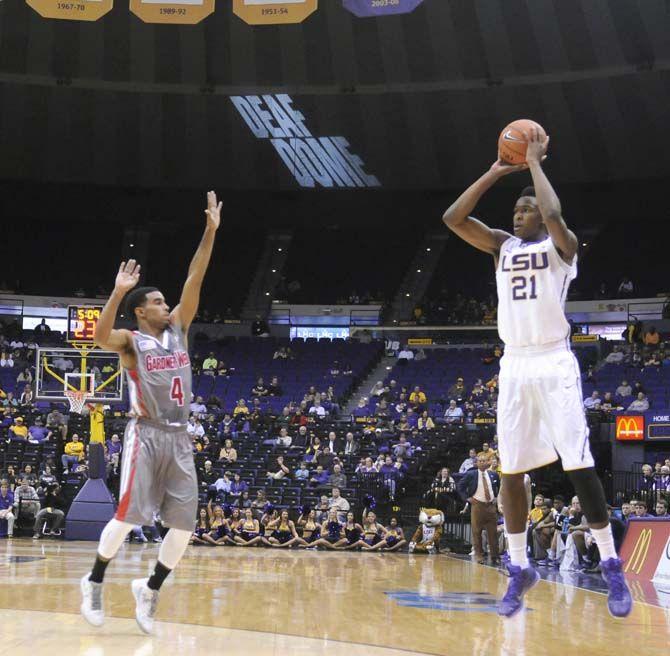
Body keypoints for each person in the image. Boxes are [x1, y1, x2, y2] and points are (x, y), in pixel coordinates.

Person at [442, 132, 631, 618]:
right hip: (515, 364)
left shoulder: (562, 248)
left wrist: (533, 166)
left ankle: (611, 562)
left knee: (577, 461)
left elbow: (552, 214)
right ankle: (520, 566)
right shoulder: (502, 247)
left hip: (553, 360)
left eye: (523, 209)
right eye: (515, 213)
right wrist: (497, 172)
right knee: (511, 469)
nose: (519, 216)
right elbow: (453, 219)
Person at [80, 191, 222, 634]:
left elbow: (195, 276)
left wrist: (210, 231)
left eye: (165, 301)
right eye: (158, 302)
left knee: (183, 527)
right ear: (141, 312)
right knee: (128, 516)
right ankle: (94, 579)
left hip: (180, 437)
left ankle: (151, 587)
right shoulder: (130, 341)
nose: (166, 305)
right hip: (146, 434)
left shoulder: (178, 329)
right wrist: (117, 293)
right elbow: (100, 336)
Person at [457, 455, 500, 565]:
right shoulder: (471, 474)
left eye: (484, 461)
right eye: (480, 461)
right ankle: (479, 555)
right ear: (476, 463)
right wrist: (467, 498)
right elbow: (460, 486)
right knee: (477, 532)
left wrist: (496, 497)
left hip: (491, 506)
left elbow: (498, 488)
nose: (482, 462)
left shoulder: (493, 474)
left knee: (493, 533)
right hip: (477, 506)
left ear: (488, 463)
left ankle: (495, 557)